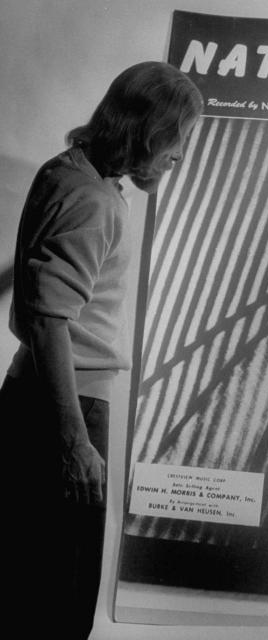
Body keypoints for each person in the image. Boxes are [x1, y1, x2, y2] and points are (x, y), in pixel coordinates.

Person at [0, 61, 203, 639]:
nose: (180, 154)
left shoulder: (68, 172)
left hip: (33, 392)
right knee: (55, 601)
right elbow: (49, 319)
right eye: (178, 137)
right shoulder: (93, 199)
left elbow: (45, 278)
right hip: (66, 405)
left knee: (22, 582)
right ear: (146, 129)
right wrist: (74, 443)